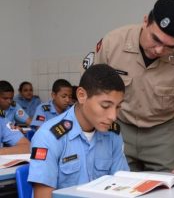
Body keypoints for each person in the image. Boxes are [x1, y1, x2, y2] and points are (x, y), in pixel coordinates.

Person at [83, 0, 174, 175]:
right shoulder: (113, 42)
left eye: (170, 47)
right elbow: (87, 90)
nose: (159, 50)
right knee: (115, 186)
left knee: (169, 188)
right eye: (155, 39)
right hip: (117, 128)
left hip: (162, 133)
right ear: (145, 21)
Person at [28, 64, 129, 198]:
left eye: (118, 107)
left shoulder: (113, 135)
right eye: (105, 106)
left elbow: (122, 186)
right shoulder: (48, 136)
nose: (113, 116)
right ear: (81, 96)